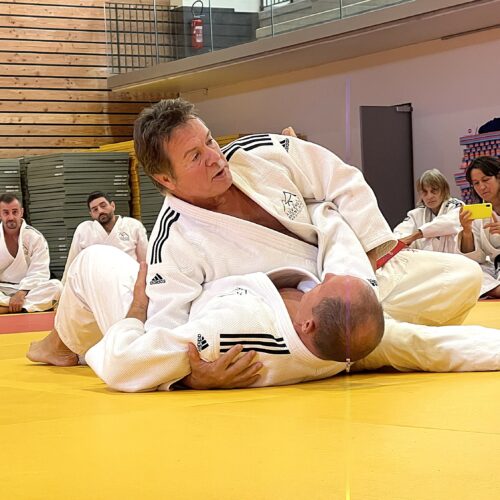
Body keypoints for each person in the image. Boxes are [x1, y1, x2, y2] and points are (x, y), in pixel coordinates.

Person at [27, 98, 482, 386]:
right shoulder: (173, 240)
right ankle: (62, 342)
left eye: (209, 141)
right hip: (274, 321)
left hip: (338, 283)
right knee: (96, 264)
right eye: (195, 156)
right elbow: (168, 328)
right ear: (165, 179)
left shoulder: (258, 152)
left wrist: (372, 248)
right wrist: (191, 379)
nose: (215, 157)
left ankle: (350, 335)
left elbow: (341, 179)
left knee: (462, 277)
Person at [30, 245, 500, 392]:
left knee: (94, 259)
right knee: (457, 279)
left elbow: (124, 364)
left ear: (308, 324)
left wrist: (138, 308)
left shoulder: (238, 332)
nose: (326, 276)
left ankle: (59, 345)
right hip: (224, 279)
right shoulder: (364, 343)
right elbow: (440, 346)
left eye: (326, 285)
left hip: (173, 307)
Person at [62, 191, 148, 282]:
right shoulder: (84, 230)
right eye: (95, 209)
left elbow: (145, 260)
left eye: (103, 206)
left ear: (113, 206)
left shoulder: (133, 226)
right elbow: (72, 263)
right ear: (91, 214)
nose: (100, 211)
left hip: (129, 282)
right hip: (95, 284)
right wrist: (64, 285)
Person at [0, 193, 62, 314]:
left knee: (57, 287)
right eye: (6, 213)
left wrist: (21, 293)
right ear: (0, 214)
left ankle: (5, 308)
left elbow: (40, 271)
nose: (11, 217)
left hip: (29, 290)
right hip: (3, 288)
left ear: (22, 212)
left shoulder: (35, 237)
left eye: (15, 212)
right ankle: (24, 307)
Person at [458, 156, 500, 298]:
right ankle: (496, 290)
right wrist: (467, 231)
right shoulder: (478, 213)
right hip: (495, 269)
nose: (481, 187)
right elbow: (476, 258)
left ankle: (492, 290)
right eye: (476, 183)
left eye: (486, 180)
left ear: (498, 178)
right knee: (464, 270)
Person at [394, 169, 463, 251]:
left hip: (452, 258)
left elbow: (448, 223)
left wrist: (415, 236)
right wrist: (400, 241)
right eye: (425, 192)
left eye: (434, 191)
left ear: (444, 190)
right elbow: (400, 233)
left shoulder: (457, 206)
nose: (429, 196)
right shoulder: (415, 214)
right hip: (426, 258)